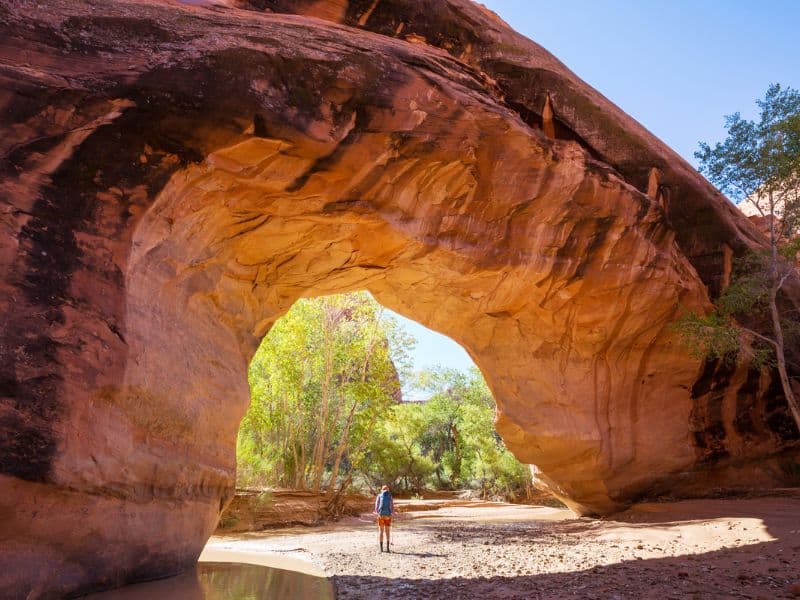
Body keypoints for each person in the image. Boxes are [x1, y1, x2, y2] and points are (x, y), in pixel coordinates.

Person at [374, 484, 394, 552]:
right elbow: (392, 506)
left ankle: (381, 549)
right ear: (388, 490)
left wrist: (378, 513)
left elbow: (376, 507)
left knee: (381, 531)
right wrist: (391, 514)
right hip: (388, 516)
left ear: (382, 490)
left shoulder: (379, 496)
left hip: (381, 515)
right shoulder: (390, 496)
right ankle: (388, 548)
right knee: (387, 531)